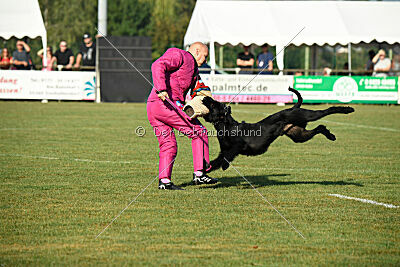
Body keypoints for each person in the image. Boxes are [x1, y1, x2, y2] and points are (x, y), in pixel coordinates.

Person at [147, 42, 218, 190]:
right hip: (166, 103)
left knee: (169, 144)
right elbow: (157, 65)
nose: (205, 60)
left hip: (153, 106)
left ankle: (164, 181)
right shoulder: (181, 54)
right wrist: (161, 89)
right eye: (205, 56)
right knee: (199, 132)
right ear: (196, 51)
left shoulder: (194, 70)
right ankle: (200, 173)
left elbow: (198, 91)